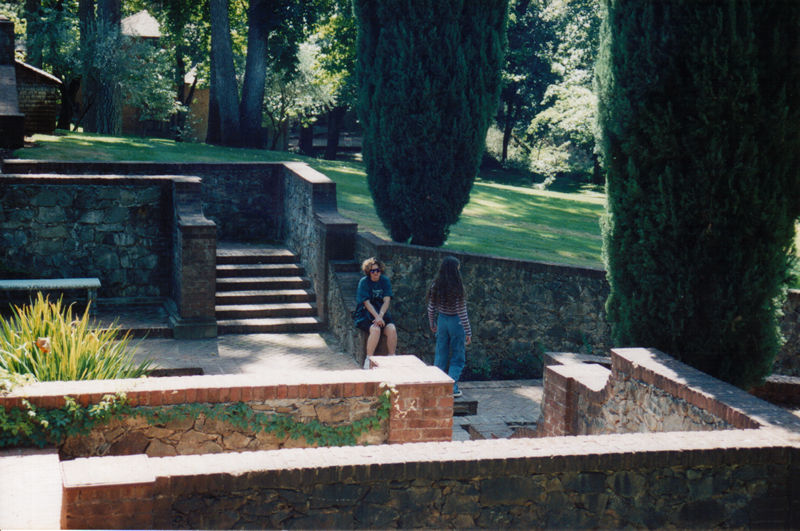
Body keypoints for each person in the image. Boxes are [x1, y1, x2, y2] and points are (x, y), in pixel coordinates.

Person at [427, 256, 471, 397]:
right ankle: (452, 388)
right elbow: (461, 311)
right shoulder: (457, 287)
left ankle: (437, 385)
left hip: (442, 321)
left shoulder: (436, 285)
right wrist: (468, 331)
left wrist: (432, 323)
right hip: (455, 322)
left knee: (441, 353)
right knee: (458, 356)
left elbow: (431, 307)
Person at [354, 257, 397, 357]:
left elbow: (386, 300)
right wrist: (377, 317)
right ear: (369, 272)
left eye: (378, 270)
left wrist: (380, 316)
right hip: (366, 313)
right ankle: (369, 359)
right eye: (373, 271)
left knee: (392, 329)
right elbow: (366, 303)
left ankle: (392, 356)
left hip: (381, 312)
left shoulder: (385, 281)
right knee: (375, 329)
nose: (376, 273)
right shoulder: (364, 282)